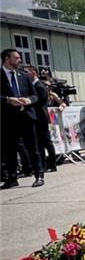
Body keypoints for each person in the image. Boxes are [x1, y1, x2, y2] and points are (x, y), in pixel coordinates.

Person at [2, 49, 43, 188]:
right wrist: (7, 100)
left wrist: (28, 100)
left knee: (33, 147)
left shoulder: (24, 76)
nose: (20, 60)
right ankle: (12, 178)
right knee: (9, 149)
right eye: (17, 58)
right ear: (7, 59)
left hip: (26, 115)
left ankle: (39, 175)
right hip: (8, 118)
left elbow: (35, 95)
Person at [25, 66, 57, 173]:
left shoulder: (40, 86)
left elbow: (41, 102)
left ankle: (52, 163)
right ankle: (42, 164)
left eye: (28, 72)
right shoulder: (33, 86)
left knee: (46, 141)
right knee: (39, 144)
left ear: (34, 73)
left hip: (41, 118)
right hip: (36, 118)